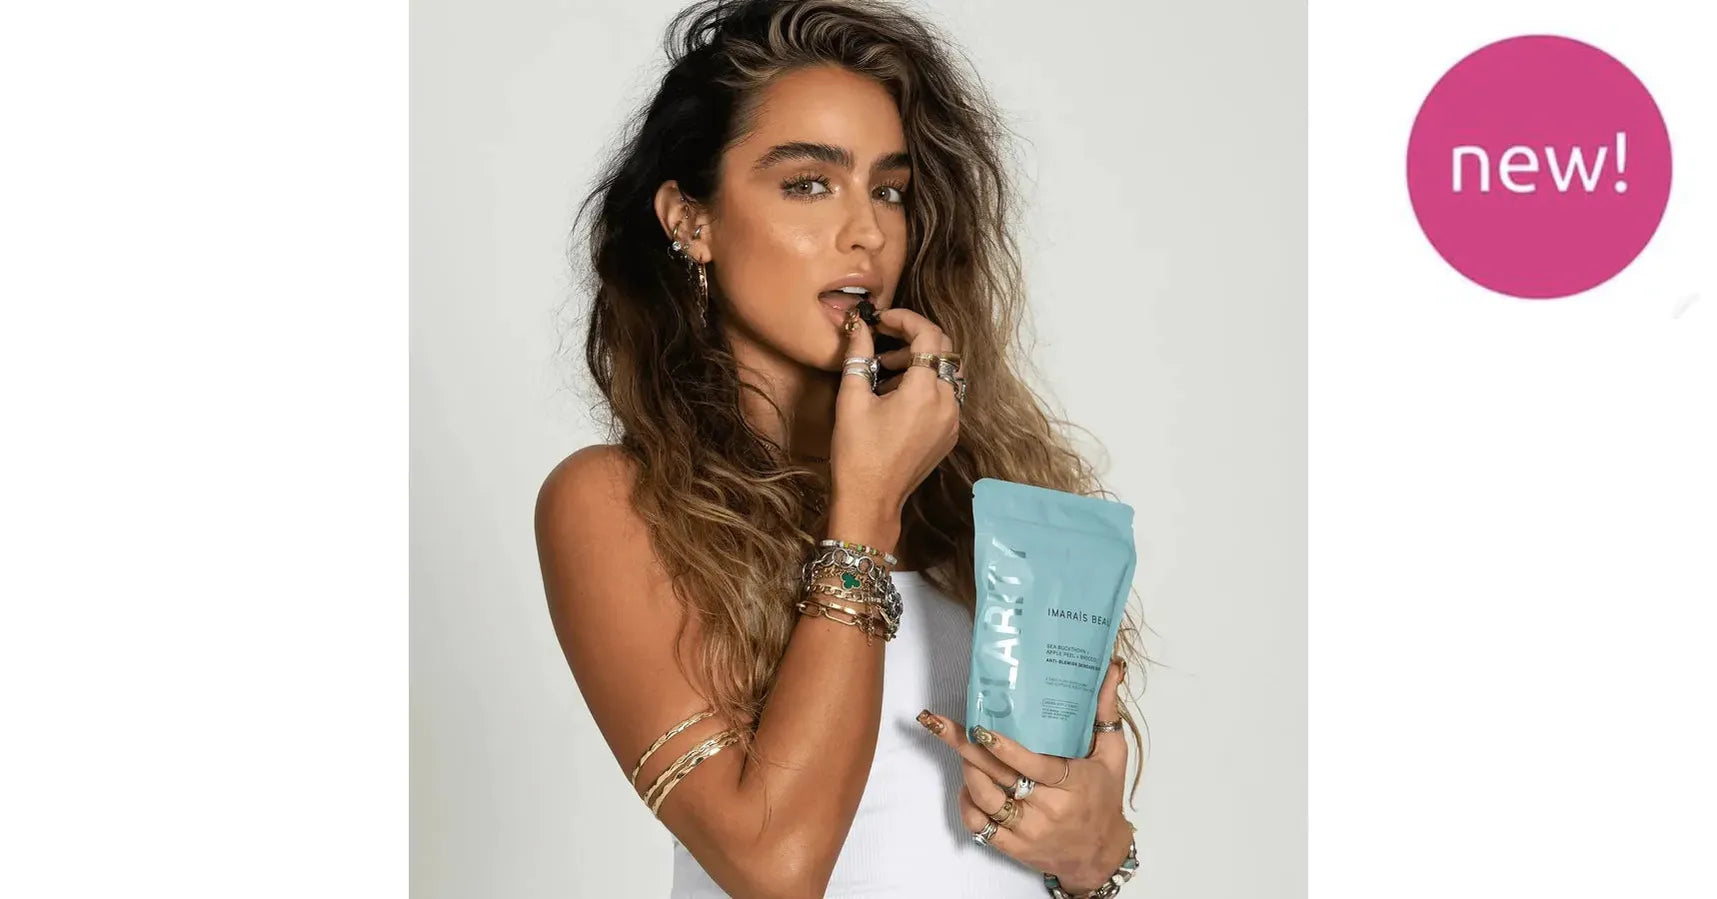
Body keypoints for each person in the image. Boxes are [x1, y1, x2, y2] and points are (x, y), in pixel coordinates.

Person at [535, 1, 1147, 895]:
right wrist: (865, 505)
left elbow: (1028, 846)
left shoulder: (982, 498)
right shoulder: (616, 503)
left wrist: (1094, 857)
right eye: (808, 184)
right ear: (691, 221)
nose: (866, 232)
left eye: (888, 190)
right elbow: (773, 866)